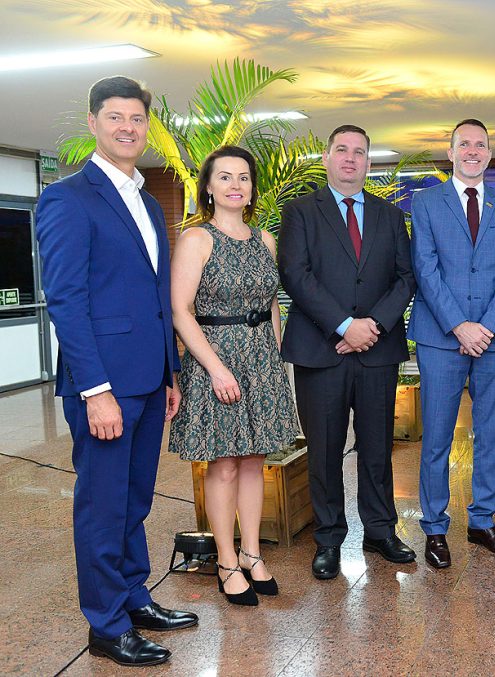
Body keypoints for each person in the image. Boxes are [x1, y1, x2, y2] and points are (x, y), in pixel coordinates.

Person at [36, 76, 197, 667]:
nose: (128, 128)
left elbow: (156, 296)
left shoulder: (149, 202)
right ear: (93, 123)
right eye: (115, 117)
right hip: (103, 385)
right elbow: (66, 301)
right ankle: (105, 625)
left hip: (149, 380)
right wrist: (96, 390)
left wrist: (169, 372)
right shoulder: (68, 198)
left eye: (136, 118)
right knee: (103, 506)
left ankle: (133, 598)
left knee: (135, 500)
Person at [279, 124, 417, 578]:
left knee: (377, 448)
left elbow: (405, 278)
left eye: (359, 152)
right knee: (324, 450)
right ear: (326, 157)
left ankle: (379, 531)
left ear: (368, 162)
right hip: (321, 351)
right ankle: (328, 539)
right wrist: (343, 325)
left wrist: (371, 326)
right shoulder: (301, 212)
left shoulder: (390, 216)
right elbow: (296, 274)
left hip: (378, 350)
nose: (350, 158)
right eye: (342, 150)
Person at [168, 145, 298, 605]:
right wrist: (217, 368)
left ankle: (251, 553)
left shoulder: (264, 239)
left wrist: (275, 356)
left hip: (261, 360)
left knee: (254, 461)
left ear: (252, 188)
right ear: (208, 186)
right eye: (224, 177)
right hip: (215, 359)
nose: (235, 185)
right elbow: (180, 310)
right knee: (223, 464)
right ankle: (225, 561)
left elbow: (270, 302)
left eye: (243, 177)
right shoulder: (196, 239)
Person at [408, 118, 495, 568]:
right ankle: (435, 528)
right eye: (465, 144)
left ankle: (482, 521)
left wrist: (486, 328)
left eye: (480, 145)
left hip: (492, 341)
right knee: (437, 436)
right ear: (451, 152)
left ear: (489, 154)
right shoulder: (425, 203)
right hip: (441, 338)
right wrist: (460, 326)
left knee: (491, 434)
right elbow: (426, 269)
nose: (473, 151)